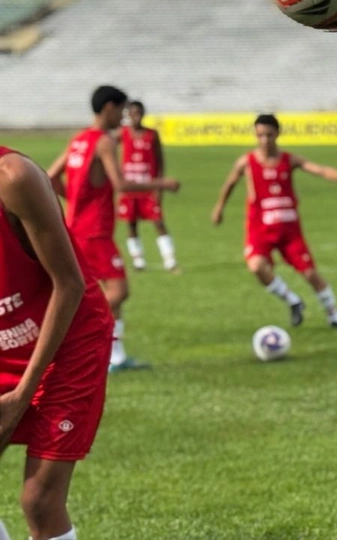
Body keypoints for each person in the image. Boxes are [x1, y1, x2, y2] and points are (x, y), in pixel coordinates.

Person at [0, 147, 113, 540]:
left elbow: (70, 285)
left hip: (69, 337)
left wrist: (21, 395)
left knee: (40, 500)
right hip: (5, 344)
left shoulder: (14, 178)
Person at [46, 85, 181, 373]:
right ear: (109, 107)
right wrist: (162, 183)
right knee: (117, 290)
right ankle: (77, 334)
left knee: (104, 290)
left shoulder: (79, 139)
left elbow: (50, 177)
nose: (123, 116)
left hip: (77, 228)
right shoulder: (104, 142)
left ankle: (115, 357)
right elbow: (120, 184)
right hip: (95, 233)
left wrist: (78, 200)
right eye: (120, 110)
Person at [210, 114, 337, 329]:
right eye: (260, 135)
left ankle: (334, 315)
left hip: (289, 231)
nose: (264, 140)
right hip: (260, 229)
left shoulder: (289, 160)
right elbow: (230, 183)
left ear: (277, 134)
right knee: (256, 266)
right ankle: (293, 301)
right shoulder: (246, 162)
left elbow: (321, 171)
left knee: (311, 274)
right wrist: (219, 207)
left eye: (269, 135)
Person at [118, 101, 179, 273]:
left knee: (158, 222)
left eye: (139, 113)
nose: (137, 116)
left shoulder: (152, 135)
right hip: (130, 188)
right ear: (128, 115)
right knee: (131, 224)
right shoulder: (122, 134)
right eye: (133, 113)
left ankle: (170, 260)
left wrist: (159, 186)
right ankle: (138, 261)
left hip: (149, 188)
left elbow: (160, 161)